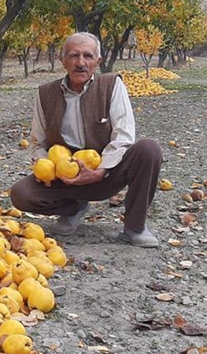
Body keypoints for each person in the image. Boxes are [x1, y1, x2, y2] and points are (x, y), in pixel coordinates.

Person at [10, 32, 162, 248]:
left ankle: (135, 228)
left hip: (108, 172)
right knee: (21, 194)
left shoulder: (111, 85)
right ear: (63, 60)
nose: (80, 63)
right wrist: (47, 167)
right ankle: (73, 207)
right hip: (66, 177)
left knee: (149, 149)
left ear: (98, 61)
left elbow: (124, 135)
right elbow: (38, 143)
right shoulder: (45, 94)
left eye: (88, 56)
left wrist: (101, 170)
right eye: (73, 56)